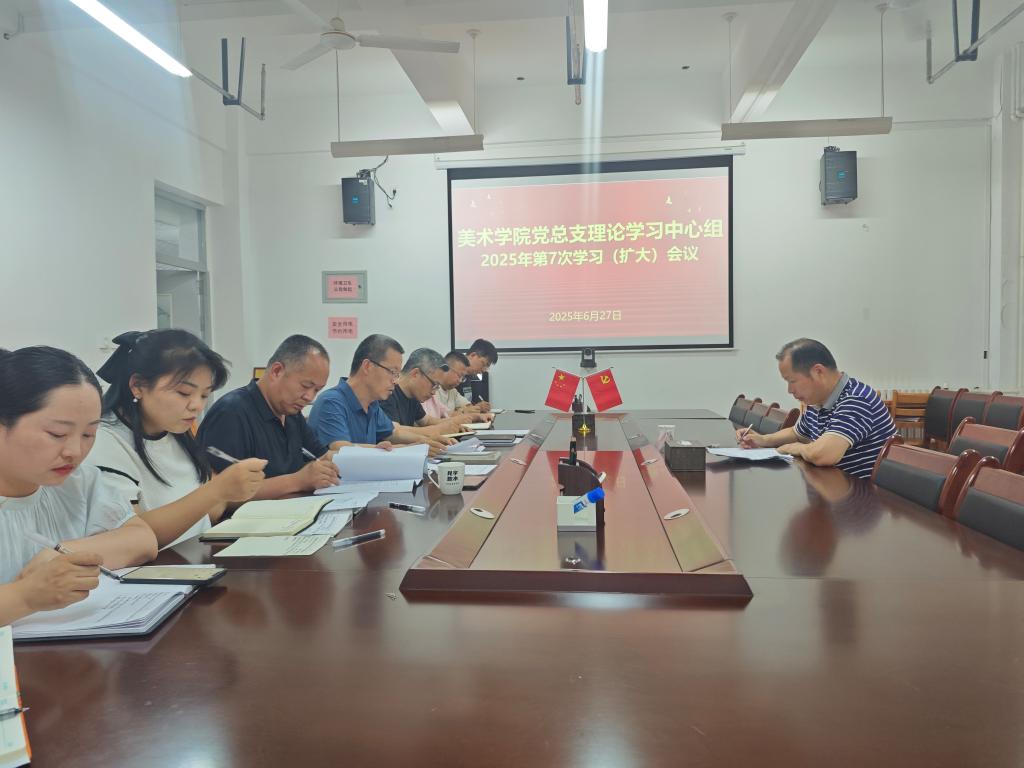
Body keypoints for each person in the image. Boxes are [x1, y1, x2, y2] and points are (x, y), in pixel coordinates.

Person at [0, 347, 158, 625]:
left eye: (88, 434)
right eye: (57, 434)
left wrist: (59, 552)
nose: (75, 451)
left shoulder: (77, 482)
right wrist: (25, 596)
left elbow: (142, 540)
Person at [87, 330, 266, 549]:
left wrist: (233, 490)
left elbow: (205, 513)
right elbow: (128, 537)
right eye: (184, 393)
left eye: (204, 395)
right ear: (138, 386)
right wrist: (216, 491)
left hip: (196, 559)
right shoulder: (103, 441)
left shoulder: (174, 431)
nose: (197, 406)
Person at [198, 335, 340, 497]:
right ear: (276, 371)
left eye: (317, 390)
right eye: (306, 386)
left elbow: (320, 456)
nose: (310, 397)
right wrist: (296, 481)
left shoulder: (292, 414)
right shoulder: (231, 412)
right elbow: (219, 493)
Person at [737, 338, 896, 478]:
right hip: (832, 487)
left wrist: (793, 448)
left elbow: (823, 455)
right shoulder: (819, 400)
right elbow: (797, 433)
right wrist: (763, 440)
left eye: (792, 381)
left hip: (861, 497)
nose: (789, 390)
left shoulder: (856, 399)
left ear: (818, 371)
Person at [381, 348, 473, 438]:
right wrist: (439, 429)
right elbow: (394, 431)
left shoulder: (412, 395)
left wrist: (453, 425)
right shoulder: (388, 392)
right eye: (434, 385)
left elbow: (426, 421)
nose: (434, 393)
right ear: (416, 374)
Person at [423, 351, 490, 423]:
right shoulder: (431, 390)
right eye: (459, 376)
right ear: (446, 368)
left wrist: (476, 413)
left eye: (462, 378)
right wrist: (463, 411)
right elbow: (435, 419)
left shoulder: (453, 391)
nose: (460, 381)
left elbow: (447, 413)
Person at [458, 338, 498, 412]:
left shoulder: (469, 376)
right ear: (473, 355)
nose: (484, 370)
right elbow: (448, 409)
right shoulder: (453, 376)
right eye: (483, 364)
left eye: (487, 367)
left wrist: (477, 406)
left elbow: (466, 403)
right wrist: (477, 408)